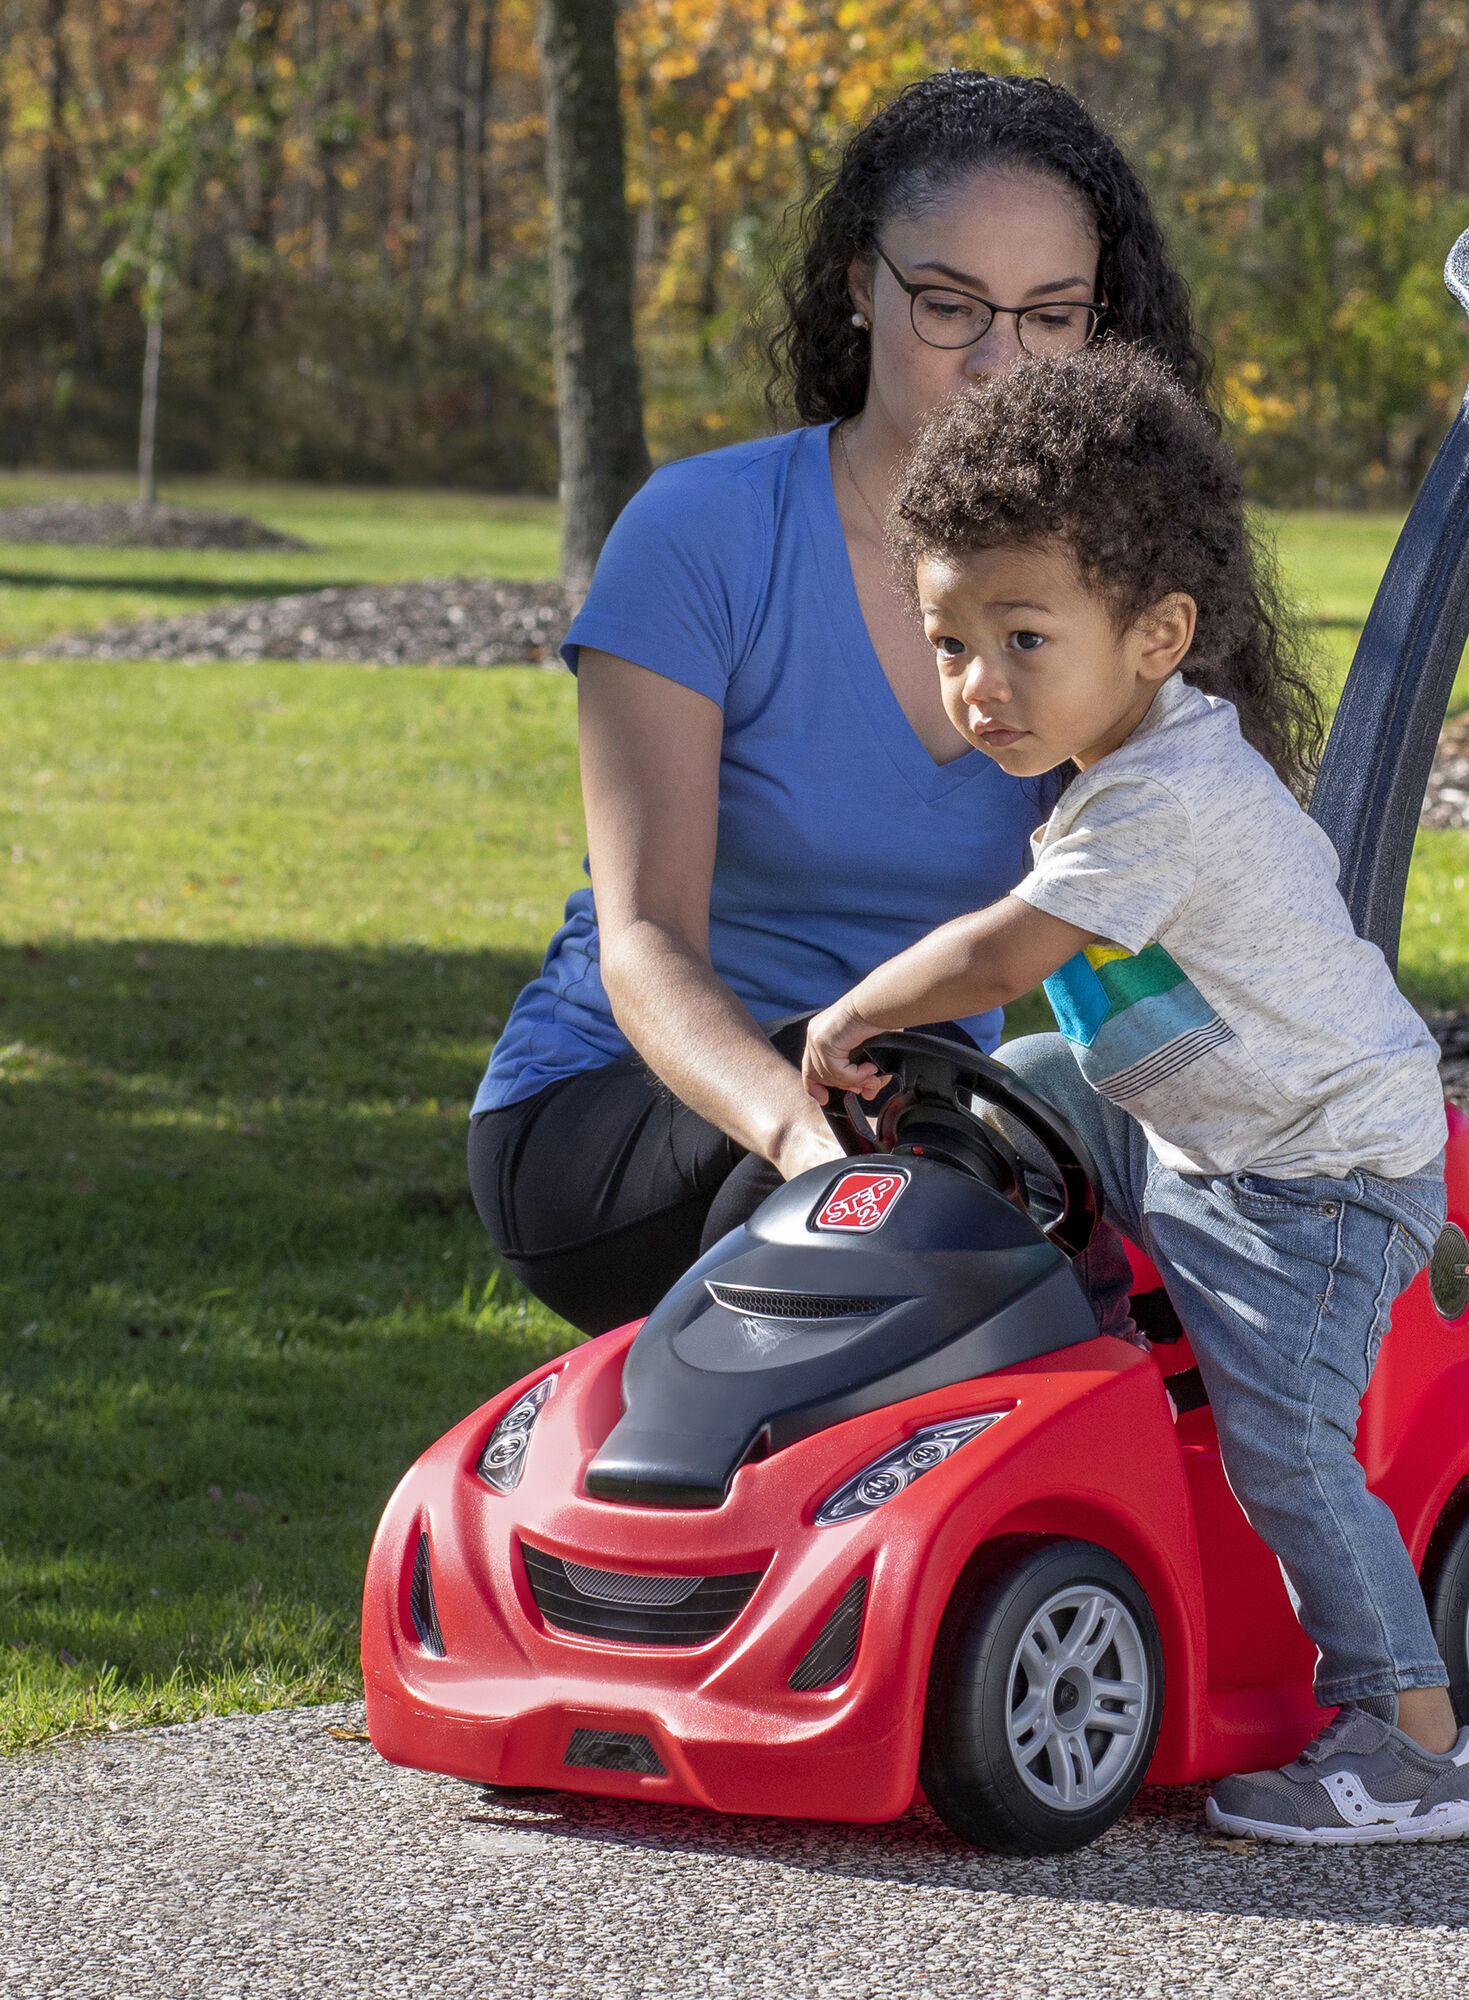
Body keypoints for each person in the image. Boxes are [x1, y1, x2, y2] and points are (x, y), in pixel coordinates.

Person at [800, 345, 1469, 1847]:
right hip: (1210, 1117)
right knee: (1025, 1083)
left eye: (1024, 639)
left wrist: (859, 1007)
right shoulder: (1123, 754)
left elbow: (1018, 942)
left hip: (1315, 1178)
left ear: (1158, 634)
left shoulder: (1164, 795)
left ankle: (1418, 1742)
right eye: (948, 642)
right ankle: (1074, 1323)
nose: (979, 683)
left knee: (1288, 1445)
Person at [467, 71, 1210, 1335]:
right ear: (859, 286)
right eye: (947, 304)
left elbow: (1145, 912)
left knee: (1064, 1190)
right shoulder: (702, 532)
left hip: (908, 1107)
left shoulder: (1110, 586)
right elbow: (645, 943)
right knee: (909, 1178)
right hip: (622, 1110)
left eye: (1050, 317)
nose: (998, 364)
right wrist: (803, 1142)